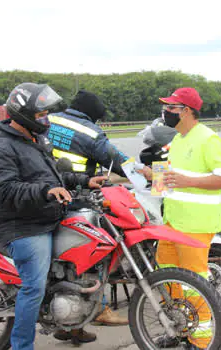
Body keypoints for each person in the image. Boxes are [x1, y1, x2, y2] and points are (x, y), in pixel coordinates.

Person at [0, 83, 106, 350]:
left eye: (46, 114)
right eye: (40, 115)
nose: (45, 119)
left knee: (83, 266)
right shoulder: (0, 149)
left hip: (48, 217)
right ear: (23, 115)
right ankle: (22, 346)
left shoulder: (36, 141)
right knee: (34, 287)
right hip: (23, 226)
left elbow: (55, 178)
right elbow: (3, 189)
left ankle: (72, 326)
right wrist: (46, 191)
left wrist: (84, 180)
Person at [38, 90, 147, 330]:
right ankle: (99, 308)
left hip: (46, 194)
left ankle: (72, 326)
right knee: (95, 254)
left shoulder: (50, 120)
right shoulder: (90, 133)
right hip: (74, 197)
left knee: (65, 263)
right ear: (92, 116)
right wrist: (145, 174)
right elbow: (116, 159)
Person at [139, 87, 221, 349]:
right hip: (172, 222)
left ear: (186, 111)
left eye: (171, 108)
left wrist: (187, 181)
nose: (166, 112)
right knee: (168, 280)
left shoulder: (207, 139)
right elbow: (169, 181)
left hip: (196, 224)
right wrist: (152, 176)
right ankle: (177, 330)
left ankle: (202, 341)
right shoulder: (178, 139)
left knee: (195, 286)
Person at [38, 89, 129, 177]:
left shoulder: (48, 119)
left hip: (45, 180)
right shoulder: (92, 134)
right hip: (79, 186)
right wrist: (138, 170)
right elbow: (115, 158)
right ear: (92, 115)